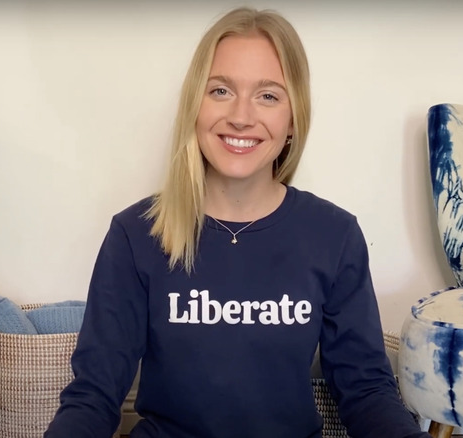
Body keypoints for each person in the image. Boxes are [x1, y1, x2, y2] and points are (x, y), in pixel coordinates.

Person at [45, 7, 430, 438]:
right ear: (195, 105)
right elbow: (94, 393)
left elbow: (366, 389)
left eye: (268, 95)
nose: (242, 116)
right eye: (221, 90)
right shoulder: (135, 234)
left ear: (292, 120)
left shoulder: (334, 236)